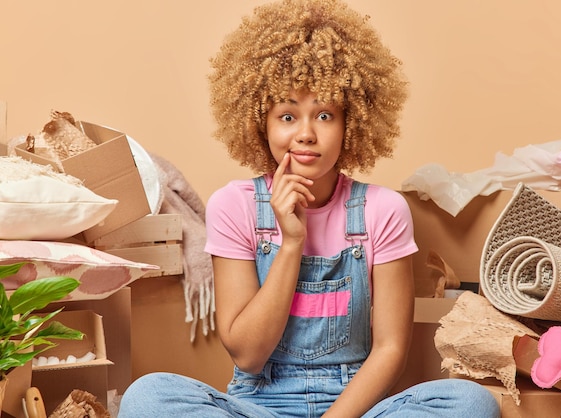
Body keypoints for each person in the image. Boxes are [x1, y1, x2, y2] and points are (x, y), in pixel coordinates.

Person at [118, 0, 500, 417]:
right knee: (148, 396)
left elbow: (391, 350)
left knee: (471, 403)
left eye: (324, 114)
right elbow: (247, 354)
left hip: (353, 405)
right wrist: (290, 243)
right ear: (260, 123)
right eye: (286, 115)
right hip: (259, 402)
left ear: (351, 122)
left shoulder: (382, 210)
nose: (305, 134)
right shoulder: (235, 205)